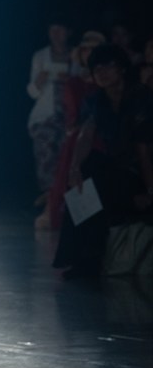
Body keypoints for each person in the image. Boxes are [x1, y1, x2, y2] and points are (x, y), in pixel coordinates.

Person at [52, 42, 153, 279]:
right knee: (87, 174)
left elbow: (144, 149)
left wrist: (150, 190)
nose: (102, 73)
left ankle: (90, 256)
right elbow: (86, 134)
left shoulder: (141, 97)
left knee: (100, 183)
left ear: (121, 68)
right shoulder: (96, 100)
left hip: (142, 171)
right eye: (96, 69)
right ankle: (80, 257)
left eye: (107, 66)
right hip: (117, 169)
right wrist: (75, 168)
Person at [40, 29, 106, 230]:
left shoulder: (106, 81)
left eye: (93, 50)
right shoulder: (73, 83)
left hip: (103, 138)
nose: (89, 54)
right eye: (85, 50)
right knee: (71, 178)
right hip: (77, 138)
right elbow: (71, 115)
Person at [26, 17, 73, 221]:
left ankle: (63, 207)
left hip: (70, 117)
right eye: (52, 30)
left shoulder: (75, 55)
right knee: (46, 161)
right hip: (45, 117)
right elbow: (33, 92)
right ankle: (49, 205)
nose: (56, 35)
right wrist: (40, 81)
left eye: (60, 30)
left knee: (65, 161)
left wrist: (69, 80)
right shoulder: (41, 56)